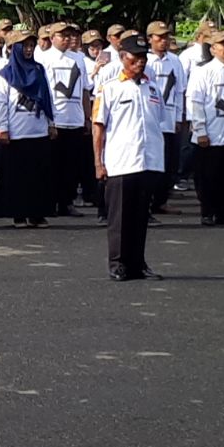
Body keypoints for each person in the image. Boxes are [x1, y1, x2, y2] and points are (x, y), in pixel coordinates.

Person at [93, 34, 165, 281]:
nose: (141, 62)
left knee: (140, 215)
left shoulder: (152, 88)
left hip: (148, 160)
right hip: (120, 161)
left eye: (144, 58)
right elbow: (98, 127)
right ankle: (118, 263)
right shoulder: (110, 88)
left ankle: (138, 263)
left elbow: (158, 122)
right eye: (135, 57)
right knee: (120, 218)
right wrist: (98, 162)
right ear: (123, 57)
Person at [0, 29, 56, 228]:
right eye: (25, 46)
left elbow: (47, 96)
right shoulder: (5, 74)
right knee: (17, 176)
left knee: (38, 175)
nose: (29, 50)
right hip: (17, 131)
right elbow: (0, 102)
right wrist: (2, 127)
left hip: (38, 130)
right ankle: (18, 214)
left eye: (31, 46)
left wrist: (51, 123)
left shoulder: (39, 70)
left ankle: (37, 213)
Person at [37, 22, 92, 217]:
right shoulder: (43, 58)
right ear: (52, 38)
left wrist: (87, 117)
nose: (67, 38)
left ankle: (67, 202)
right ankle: (50, 202)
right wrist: (48, 120)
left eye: (69, 35)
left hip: (75, 118)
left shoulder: (79, 59)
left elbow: (85, 89)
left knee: (71, 166)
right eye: (62, 35)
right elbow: (42, 92)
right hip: (55, 119)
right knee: (52, 165)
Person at [144, 21, 186, 216]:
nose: (164, 41)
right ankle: (147, 202)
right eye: (159, 37)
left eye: (166, 37)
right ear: (150, 39)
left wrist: (179, 117)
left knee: (168, 163)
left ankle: (161, 200)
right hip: (151, 119)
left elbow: (179, 91)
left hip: (169, 118)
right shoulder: (145, 60)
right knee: (150, 163)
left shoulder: (174, 61)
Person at [187, 31, 224, 226]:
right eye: (223, 45)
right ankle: (207, 211)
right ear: (213, 48)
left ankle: (222, 211)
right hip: (210, 133)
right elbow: (196, 101)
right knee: (207, 177)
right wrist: (200, 130)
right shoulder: (204, 71)